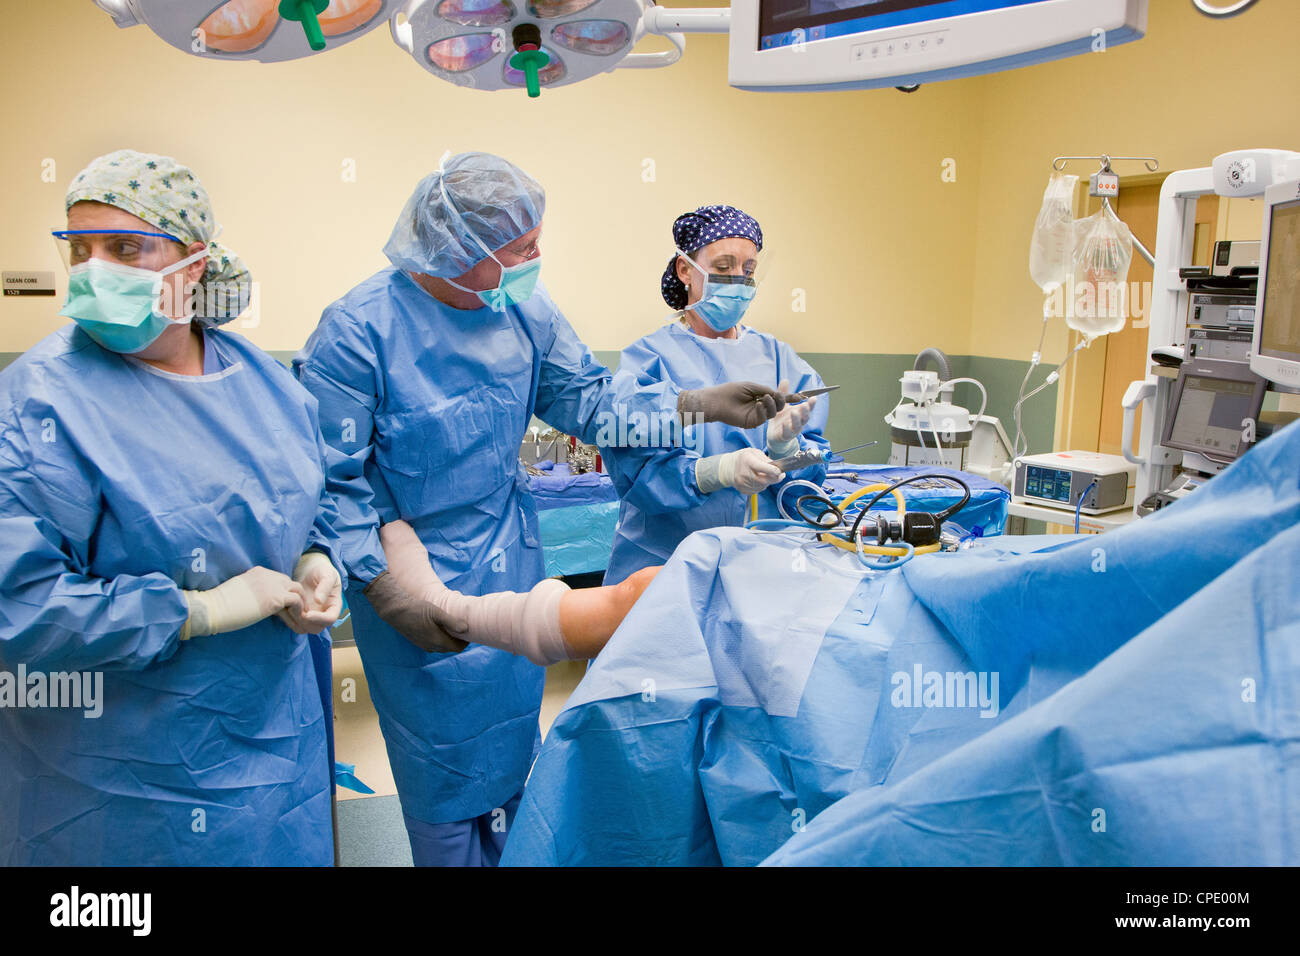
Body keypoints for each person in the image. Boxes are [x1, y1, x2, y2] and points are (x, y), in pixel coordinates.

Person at [294, 151, 783, 867]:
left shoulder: (523, 309)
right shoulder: (358, 332)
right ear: (463, 251)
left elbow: (590, 404)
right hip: (412, 570)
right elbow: (329, 481)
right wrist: (382, 582)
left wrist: (689, 405)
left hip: (509, 551)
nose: (538, 258)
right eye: (522, 248)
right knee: (442, 766)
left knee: (513, 745)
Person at [0, 149, 344, 865]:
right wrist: (198, 612)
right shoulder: (38, 404)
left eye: (125, 248)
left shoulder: (265, 385)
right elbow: (19, 609)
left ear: (193, 266)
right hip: (112, 777)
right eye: (80, 249)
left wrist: (315, 558)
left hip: (273, 753)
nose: (96, 270)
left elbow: (307, 501)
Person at [602, 204, 831, 585]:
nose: (738, 281)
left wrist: (787, 450)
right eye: (723, 268)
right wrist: (717, 472)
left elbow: (805, 490)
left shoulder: (779, 361)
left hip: (760, 566)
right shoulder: (649, 360)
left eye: (748, 270)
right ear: (685, 270)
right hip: (664, 565)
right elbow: (633, 468)